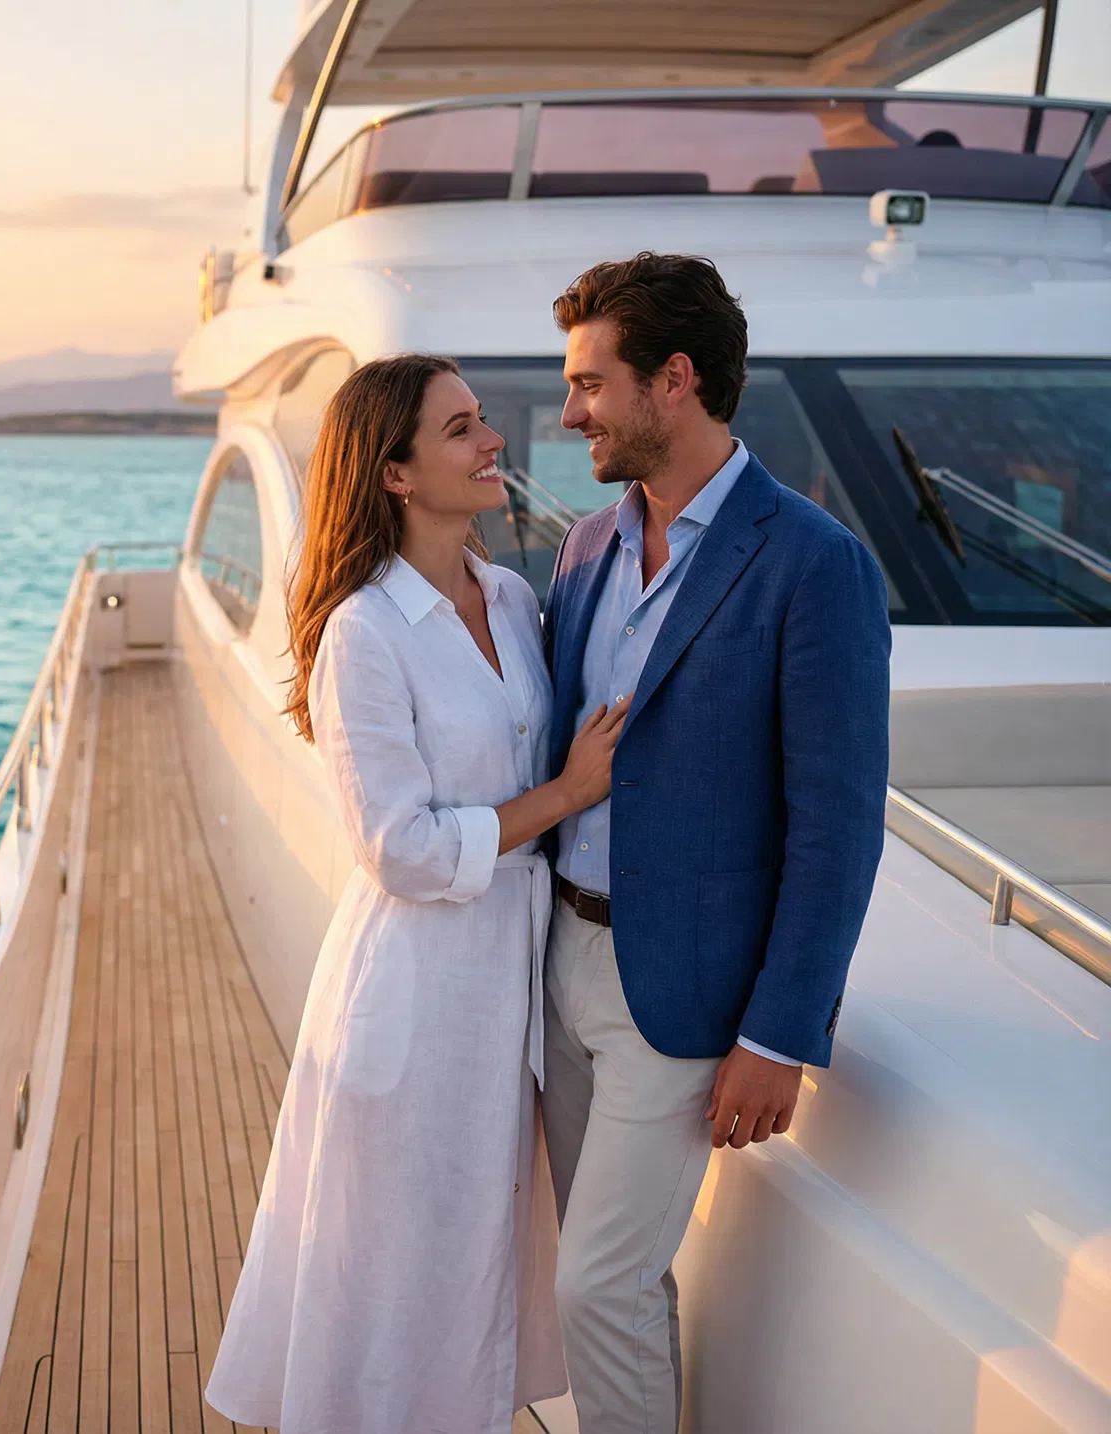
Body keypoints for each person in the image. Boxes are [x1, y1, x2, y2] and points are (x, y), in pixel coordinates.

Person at [206, 353, 631, 1434]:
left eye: (483, 421)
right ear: (394, 474)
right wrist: (566, 794)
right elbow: (397, 847)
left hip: (511, 993)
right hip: (417, 996)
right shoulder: (364, 631)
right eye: (459, 429)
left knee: (473, 1270)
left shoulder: (514, 596)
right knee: (398, 1285)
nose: (494, 442)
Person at [540, 253, 889, 1434]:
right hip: (557, 969)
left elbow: (837, 827)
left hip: (685, 997)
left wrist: (779, 1032)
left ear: (674, 380)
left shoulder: (815, 563)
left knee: (596, 1281)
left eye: (591, 383)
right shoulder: (587, 546)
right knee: (610, 1277)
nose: (571, 410)